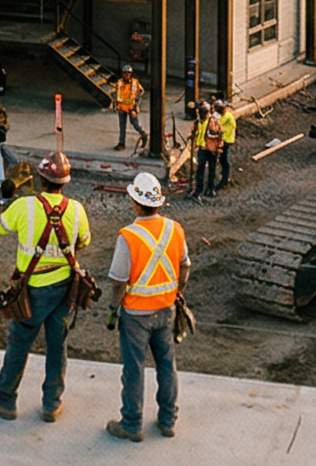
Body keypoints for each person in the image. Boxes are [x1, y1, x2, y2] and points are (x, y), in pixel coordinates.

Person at [0, 151, 90, 423]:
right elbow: (84, 241)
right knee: (57, 346)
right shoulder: (76, 210)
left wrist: (6, 200)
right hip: (63, 290)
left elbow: (2, 227)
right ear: (64, 181)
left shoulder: (24, 206)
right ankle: (52, 404)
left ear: (41, 179)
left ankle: (5, 400)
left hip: (30, 292)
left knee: (18, 344)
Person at [105, 171, 184, 442]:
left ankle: (131, 424)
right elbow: (185, 265)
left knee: (134, 369)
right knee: (166, 365)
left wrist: (114, 309)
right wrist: (178, 292)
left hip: (136, 315)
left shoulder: (128, 236)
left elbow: (118, 281)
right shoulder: (175, 229)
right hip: (166, 310)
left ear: (135, 203)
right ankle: (167, 421)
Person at [189, 103, 224, 202]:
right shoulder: (198, 122)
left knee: (211, 170)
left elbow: (219, 133)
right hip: (202, 148)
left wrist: (218, 147)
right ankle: (198, 190)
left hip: (211, 149)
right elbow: (195, 132)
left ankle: (210, 188)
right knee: (200, 169)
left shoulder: (212, 122)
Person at [109, 66, 145, 154]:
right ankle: (121, 143)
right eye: (125, 73)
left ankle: (143, 135)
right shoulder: (120, 82)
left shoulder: (135, 83)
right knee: (122, 126)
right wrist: (113, 104)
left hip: (131, 108)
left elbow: (141, 92)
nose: (127, 75)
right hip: (122, 108)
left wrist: (135, 108)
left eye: (128, 73)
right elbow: (117, 94)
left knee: (135, 124)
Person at [214, 100, 238, 187]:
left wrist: (219, 129)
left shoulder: (228, 117)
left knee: (224, 160)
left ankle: (225, 179)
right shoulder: (221, 116)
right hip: (221, 140)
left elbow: (224, 128)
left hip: (225, 141)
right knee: (221, 159)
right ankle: (223, 175)